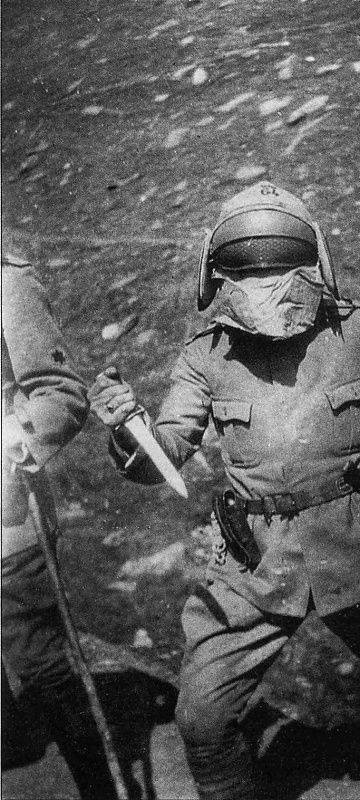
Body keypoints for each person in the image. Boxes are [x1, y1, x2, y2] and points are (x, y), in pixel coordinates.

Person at [88, 181, 360, 800]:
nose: (266, 281)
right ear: (216, 275)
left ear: (315, 261)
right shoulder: (205, 355)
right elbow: (165, 454)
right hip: (254, 558)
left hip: (358, 540)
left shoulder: (358, 328)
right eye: (246, 267)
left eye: (281, 262)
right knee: (202, 715)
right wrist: (126, 428)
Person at [1, 234, 118, 800]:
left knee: (38, 662)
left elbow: (61, 393)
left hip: (4, 521)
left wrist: (22, 435)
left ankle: (100, 788)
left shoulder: (7, 287)